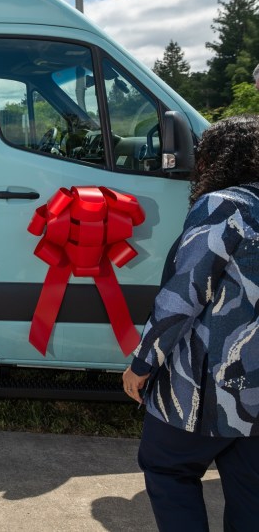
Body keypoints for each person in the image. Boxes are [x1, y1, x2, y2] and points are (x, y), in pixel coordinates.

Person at [122, 115, 259, 531]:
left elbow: (183, 296)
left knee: (168, 469)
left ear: (216, 159)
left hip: (207, 390)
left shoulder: (224, 206)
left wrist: (142, 363)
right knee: (250, 495)